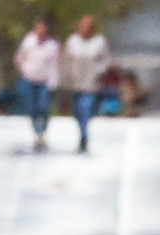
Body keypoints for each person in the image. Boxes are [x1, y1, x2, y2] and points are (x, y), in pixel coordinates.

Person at [62, 15, 112, 152]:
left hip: (90, 84)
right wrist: (65, 79)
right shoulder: (73, 41)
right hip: (75, 83)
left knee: (86, 108)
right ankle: (82, 130)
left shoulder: (99, 42)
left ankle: (84, 135)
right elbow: (66, 61)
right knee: (77, 112)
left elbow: (105, 61)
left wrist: (97, 71)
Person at [14, 21, 59, 151]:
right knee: (31, 108)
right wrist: (25, 70)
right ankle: (37, 132)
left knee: (43, 107)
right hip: (29, 80)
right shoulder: (28, 42)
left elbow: (53, 65)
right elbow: (19, 58)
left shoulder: (52, 46)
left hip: (44, 82)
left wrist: (53, 82)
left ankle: (43, 130)